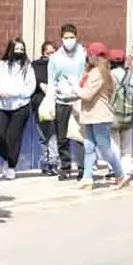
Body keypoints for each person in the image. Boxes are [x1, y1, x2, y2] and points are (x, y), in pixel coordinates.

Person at [75, 42, 130, 190]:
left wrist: (73, 88)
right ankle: (87, 178)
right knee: (89, 146)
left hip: (100, 116)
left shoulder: (99, 73)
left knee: (105, 149)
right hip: (91, 115)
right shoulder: (95, 72)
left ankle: (121, 175)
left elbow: (87, 94)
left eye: (89, 55)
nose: (87, 58)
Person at [0, 38, 36, 180]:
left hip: (20, 106)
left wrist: (14, 94)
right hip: (0, 105)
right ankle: (6, 157)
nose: (19, 52)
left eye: (21, 50)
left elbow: (30, 87)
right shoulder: (0, 65)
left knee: (14, 138)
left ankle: (10, 166)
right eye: (16, 49)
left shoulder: (27, 67)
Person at [48, 23, 87, 180]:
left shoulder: (83, 54)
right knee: (62, 136)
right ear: (61, 38)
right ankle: (65, 166)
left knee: (79, 137)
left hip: (78, 101)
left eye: (72, 37)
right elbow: (52, 81)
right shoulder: (55, 58)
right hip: (62, 101)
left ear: (76, 37)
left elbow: (87, 75)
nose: (69, 40)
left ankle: (83, 167)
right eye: (66, 37)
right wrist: (50, 101)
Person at [108, 49, 133, 179]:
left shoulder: (109, 75)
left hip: (113, 113)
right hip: (129, 112)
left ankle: (114, 169)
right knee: (127, 143)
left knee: (114, 143)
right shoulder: (131, 75)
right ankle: (127, 170)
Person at [31, 41, 58, 176]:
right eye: (48, 53)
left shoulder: (59, 65)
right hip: (41, 104)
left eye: (53, 52)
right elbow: (41, 84)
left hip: (57, 104)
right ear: (43, 53)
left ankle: (53, 163)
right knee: (44, 136)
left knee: (54, 135)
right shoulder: (37, 66)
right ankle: (45, 164)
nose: (50, 55)